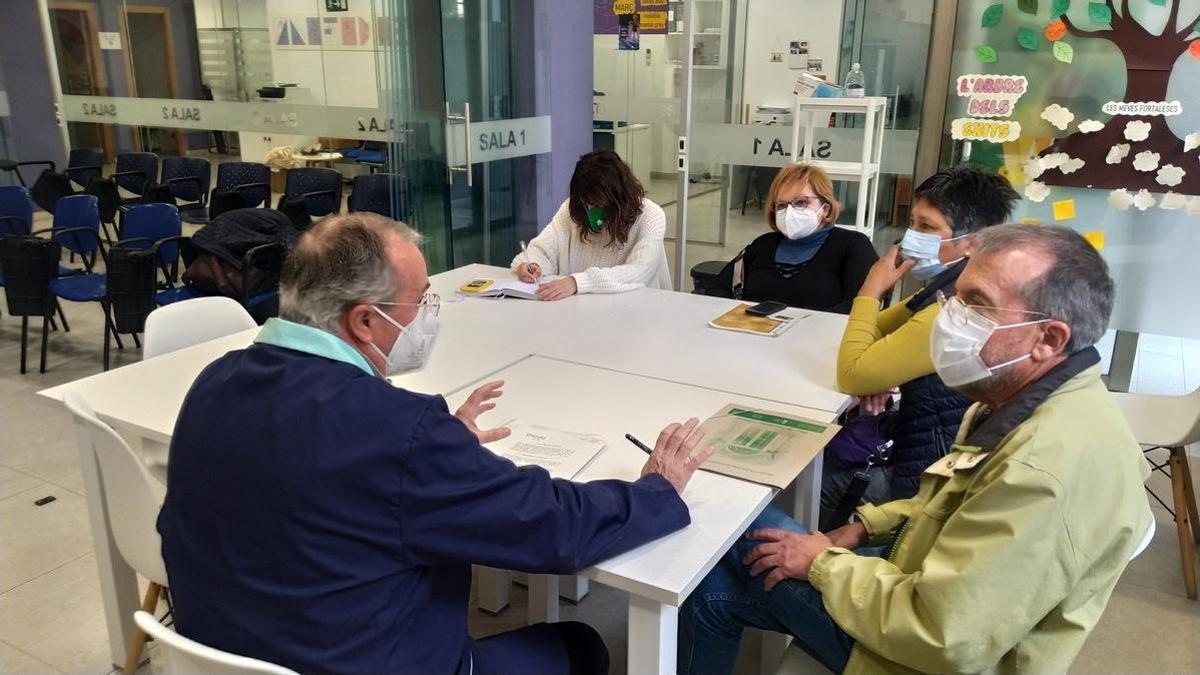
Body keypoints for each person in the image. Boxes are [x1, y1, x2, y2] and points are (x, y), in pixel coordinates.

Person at [157, 212, 716, 674]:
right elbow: (554, 528)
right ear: (365, 323)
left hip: (221, 652)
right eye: (420, 300)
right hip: (363, 661)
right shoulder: (397, 432)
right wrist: (656, 491)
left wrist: (434, 448)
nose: (428, 315)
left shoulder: (216, 380)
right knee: (582, 647)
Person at [678, 223, 1153, 675]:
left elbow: (943, 635)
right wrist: (861, 529)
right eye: (957, 296)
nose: (951, 317)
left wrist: (821, 564)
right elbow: (945, 506)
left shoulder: (1043, 472)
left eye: (976, 305)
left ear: (1047, 340)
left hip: (920, 648)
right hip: (921, 579)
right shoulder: (1025, 401)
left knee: (729, 511)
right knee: (717, 584)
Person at [823, 167, 1019, 527]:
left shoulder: (955, 309)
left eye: (927, 227)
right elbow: (880, 332)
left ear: (973, 241)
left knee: (812, 478)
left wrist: (870, 289)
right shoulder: (955, 284)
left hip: (924, 481)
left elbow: (852, 374)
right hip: (927, 451)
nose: (911, 236)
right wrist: (881, 367)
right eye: (912, 223)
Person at [705, 163, 877, 313]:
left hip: (819, 344)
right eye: (781, 205)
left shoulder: (853, 246)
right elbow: (718, 289)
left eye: (801, 202)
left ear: (825, 208)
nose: (789, 212)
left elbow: (859, 309)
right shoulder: (763, 245)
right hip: (753, 340)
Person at [512, 149, 671, 300]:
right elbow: (542, 250)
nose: (589, 210)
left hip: (634, 310)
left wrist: (576, 283)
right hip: (578, 310)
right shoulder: (572, 210)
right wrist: (532, 265)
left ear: (618, 197)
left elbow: (639, 271)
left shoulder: (651, 215)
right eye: (585, 203)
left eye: (596, 204)